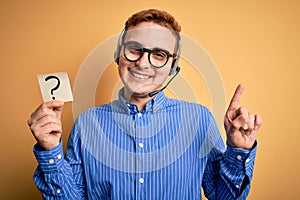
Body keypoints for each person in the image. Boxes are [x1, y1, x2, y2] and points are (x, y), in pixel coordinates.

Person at [28, 9, 262, 199]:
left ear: (172, 67)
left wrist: (238, 151)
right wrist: (51, 151)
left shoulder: (198, 120)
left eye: (159, 54)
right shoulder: (86, 123)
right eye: (134, 50)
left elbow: (225, 197)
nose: (143, 62)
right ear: (119, 55)